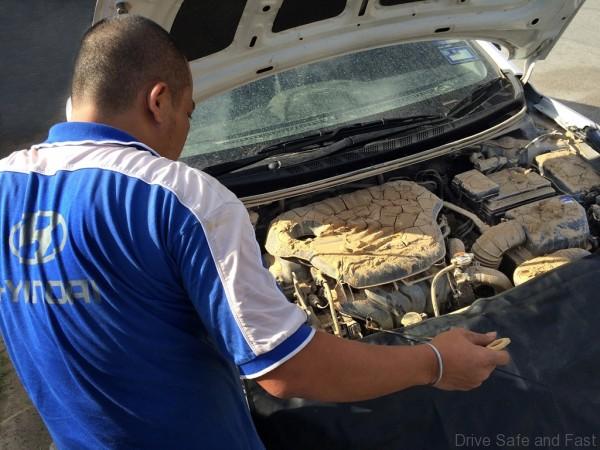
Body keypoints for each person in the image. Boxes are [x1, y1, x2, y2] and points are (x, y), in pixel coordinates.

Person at [0, 15, 509, 449]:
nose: (183, 132)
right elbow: (287, 371)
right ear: (158, 101)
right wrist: (435, 362)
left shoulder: (6, 181)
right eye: (188, 113)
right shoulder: (181, 196)